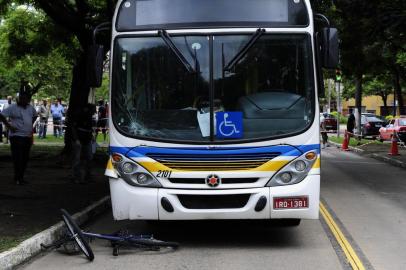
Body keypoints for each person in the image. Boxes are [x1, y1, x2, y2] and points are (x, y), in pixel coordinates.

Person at [0, 90, 37, 185]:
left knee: (25, 158)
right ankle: (17, 178)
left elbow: (35, 116)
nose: (22, 100)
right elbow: (2, 115)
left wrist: (30, 125)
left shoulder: (30, 108)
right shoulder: (13, 107)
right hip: (16, 137)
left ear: (28, 100)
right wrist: (9, 126)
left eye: (24, 98)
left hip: (27, 137)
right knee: (18, 158)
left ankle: (21, 177)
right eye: (20, 98)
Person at [70, 104, 95, 184]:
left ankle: (88, 176)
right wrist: (76, 140)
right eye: (93, 110)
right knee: (77, 159)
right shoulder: (79, 116)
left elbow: (89, 129)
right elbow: (73, 128)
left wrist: (92, 137)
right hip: (79, 140)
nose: (94, 112)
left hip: (87, 140)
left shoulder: (90, 117)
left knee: (89, 158)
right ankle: (76, 177)